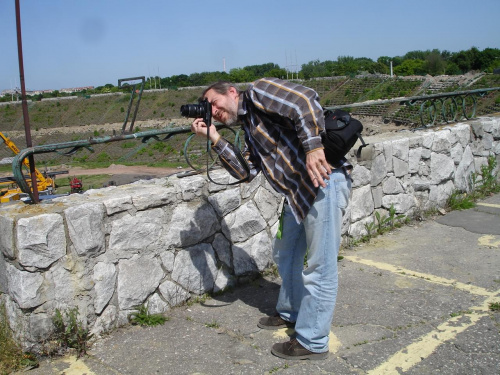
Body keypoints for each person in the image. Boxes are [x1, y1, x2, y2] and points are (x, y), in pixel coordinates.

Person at [190, 77, 351, 360]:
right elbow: (245, 172)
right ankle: (291, 311)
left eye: (213, 103)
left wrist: (314, 147)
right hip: (297, 194)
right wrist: (214, 138)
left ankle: (313, 342)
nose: (212, 111)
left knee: (320, 267)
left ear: (230, 92)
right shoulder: (250, 126)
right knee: (286, 254)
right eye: (206, 109)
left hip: (324, 182)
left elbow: (304, 100)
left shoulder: (258, 91)